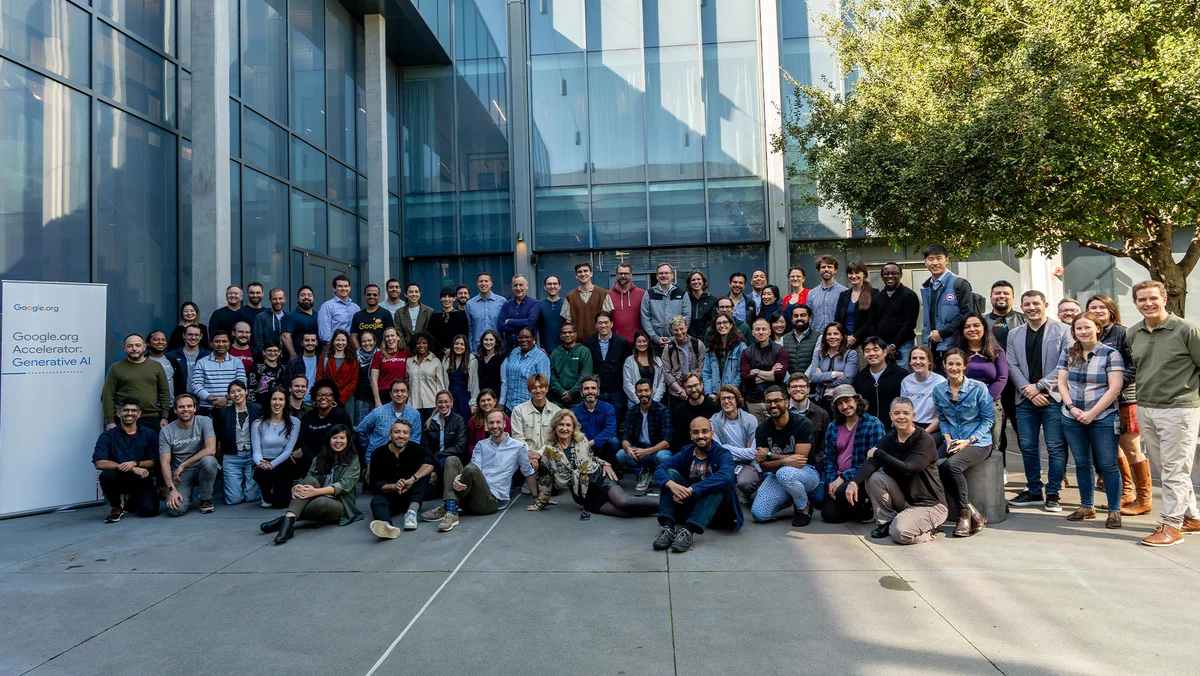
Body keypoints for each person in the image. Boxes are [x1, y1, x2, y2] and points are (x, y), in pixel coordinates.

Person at [1125, 280, 1200, 547]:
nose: (1148, 303)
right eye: (1142, 299)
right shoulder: (1134, 333)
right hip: (1146, 408)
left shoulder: (1186, 330)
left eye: (1153, 298)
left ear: (1164, 298)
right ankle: (1191, 517)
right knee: (1166, 469)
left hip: (1179, 409)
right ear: (1135, 303)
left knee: (1174, 469)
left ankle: (1172, 525)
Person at [1056, 313, 1125, 528]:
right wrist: (1071, 408)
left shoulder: (1110, 354)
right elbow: (1061, 383)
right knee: (1081, 462)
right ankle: (1087, 506)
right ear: (1074, 331)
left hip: (1103, 417)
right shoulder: (1068, 353)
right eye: (1079, 328)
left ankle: (1114, 510)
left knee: (1108, 464)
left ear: (1097, 328)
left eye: (1088, 327)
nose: (1083, 332)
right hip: (1072, 416)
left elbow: (1115, 387)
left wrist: (1092, 413)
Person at [1006, 290, 1071, 512]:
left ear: (1045, 304)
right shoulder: (1014, 334)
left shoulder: (1063, 331)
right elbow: (1011, 365)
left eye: (1036, 303)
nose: (1031, 307)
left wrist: (1040, 386)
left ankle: (1053, 492)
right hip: (1025, 399)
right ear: (1022, 307)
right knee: (1028, 446)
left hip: (1052, 398)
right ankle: (1034, 489)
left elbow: (1066, 364)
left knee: (1055, 446)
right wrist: (1029, 391)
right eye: (1027, 304)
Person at [422, 409, 538, 533]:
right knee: (451, 460)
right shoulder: (481, 445)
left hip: (490, 501)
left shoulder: (518, 447)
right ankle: (451, 510)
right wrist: (459, 476)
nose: (495, 426)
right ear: (486, 425)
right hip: (471, 497)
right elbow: (475, 465)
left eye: (498, 422)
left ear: (505, 424)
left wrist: (538, 499)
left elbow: (528, 472)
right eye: (491, 423)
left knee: (471, 469)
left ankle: (448, 506)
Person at [852, 398, 947, 544]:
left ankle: (929, 531)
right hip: (905, 500)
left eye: (905, 413)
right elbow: (872, 462)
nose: (901, 417)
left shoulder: (924, 440)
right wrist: (853, 482)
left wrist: (879, 453)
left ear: (913, 416)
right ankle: (886, 522)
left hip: (930, 505)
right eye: (896, 413)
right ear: (891, 416)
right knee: (874, 477)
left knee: (900, 534)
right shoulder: (889, 438)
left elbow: (909, 468)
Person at [529, 409, 657, 516]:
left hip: (599, 478)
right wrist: (541, 503)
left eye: (568, 425)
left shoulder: (581, 440)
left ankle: (665, 509)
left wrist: (606, 464)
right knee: (623, 513)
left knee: (624, 502)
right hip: (584, 495)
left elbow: (592, 458)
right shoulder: (548, 451)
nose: (564, 428)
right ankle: (659, 511)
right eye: (561, 424)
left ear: (573, 428)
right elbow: (546, 478)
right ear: (554, 427)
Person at [1086, 294, 1149, 515]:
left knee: (1132, 448)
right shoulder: (1093, 334)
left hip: (1124, 400)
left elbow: (1134, 365)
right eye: (1092, 307)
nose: (1097, 311)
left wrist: (1114, 387)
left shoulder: (1123, 333)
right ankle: (1127, 493)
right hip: (1102, 402)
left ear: (1111, 310)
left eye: (1102, 307)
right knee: (1115, 450)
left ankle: (1144, 499)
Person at [260, 424, 362, 544]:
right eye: (334, 438)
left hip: (341, 504)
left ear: (348, 440)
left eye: (342, 438)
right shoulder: (320, 458)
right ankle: (289, 522)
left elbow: (343, 486)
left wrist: (316, 492)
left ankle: (286, 520)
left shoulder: (353, 460)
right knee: (309, 481)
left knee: (321, 502)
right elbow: (309, 478)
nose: (338, 441)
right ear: (329, 439)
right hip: (315, 497)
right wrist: (296, 488)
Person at [651, 417, 742, 553]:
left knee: (720, 484)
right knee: (669, 474)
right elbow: (659, 469)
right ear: (691, 435)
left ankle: (688, 531)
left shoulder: (723, 453)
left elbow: (727, 476)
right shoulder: (686, 453)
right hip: (693, 507)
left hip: (719, 512)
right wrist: (671, 484)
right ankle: (668, 528)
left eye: (704, 431)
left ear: (712, 433)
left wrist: (692, 489)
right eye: (696, 432)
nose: (700, 436)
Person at [934, 349, 994, 536]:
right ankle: (975, 513)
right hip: (952, 440)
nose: (954, 367)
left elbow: (988, 420)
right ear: (944, 366)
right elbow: (943, 419)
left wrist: (968, 441)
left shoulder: (978, 388)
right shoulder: (938, 390)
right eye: (950, 363)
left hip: (979, 442)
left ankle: (964, 514)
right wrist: (947, 438)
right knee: (932, 466)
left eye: (958, 364)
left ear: (965, 366)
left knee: (951, 466)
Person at [749, 386, 819, 526]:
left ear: (786, 402)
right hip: (776, 475)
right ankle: (791, 496)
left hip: (807, 473)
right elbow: (763, 465)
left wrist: (769, 455)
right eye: (768, 402)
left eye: (777, 400)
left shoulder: (802, 424)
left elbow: (800, 460)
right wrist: (786, 460)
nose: (773, 405)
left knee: (785, 473)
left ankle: (803, 508)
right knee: (759, 515)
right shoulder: (762, 429)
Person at [821, 385, 885, 523]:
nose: (844, 406)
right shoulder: (833, 425)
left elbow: (873, 461)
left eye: (848, 400)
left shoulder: (873, 424)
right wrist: (833, 480)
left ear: (856, 400)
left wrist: (844, 478)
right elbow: (829, 457)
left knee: (839, 494)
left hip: (862, 478)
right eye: (840, 403)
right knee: (828, 515)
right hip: (838, 477)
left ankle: (866, 503)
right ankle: (857, 508)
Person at [92, 398, 160, 522]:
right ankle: (116, 506)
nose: (129, 413)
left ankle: (131, 500)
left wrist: (136, 463)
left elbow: (153, 461)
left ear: (139, 414)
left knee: (149, 511)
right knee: (106, 475)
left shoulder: (149, 434)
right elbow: (98, 462)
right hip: (118, 478)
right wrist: (131, 468)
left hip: (141, 478)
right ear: (118, 413)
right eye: (126, 410)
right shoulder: (108, 436)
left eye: (133, 410)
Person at [368, 419, 435, 538]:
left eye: (405, 432)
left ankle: (411, 513)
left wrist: (412, 479)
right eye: (397, 432)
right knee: (377, 501)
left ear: (409, 436)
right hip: (390, 495)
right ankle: (386, 526)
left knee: (422, 476)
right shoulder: (378, 454)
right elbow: (374, 483)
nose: (401, 436)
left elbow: (430, 463)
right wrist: (394, 486)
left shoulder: (416, 449)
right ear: (390, 434)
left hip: (411, 496)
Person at [158, 393, 218, 516]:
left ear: (194, 408)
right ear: (175, 410)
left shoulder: (204, 421)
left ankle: (205, 499)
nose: (186, 409)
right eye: (181, 407)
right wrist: (171, 489)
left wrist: (184, 464)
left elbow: (211, 449)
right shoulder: (166, 431)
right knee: (175, 510)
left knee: (209, 461)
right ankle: (186, 495)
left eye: (189, 406)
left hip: (200, 466)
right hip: (180, 474)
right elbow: (164, 463)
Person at [956, 313, 1008, 447]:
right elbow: (952, 378)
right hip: (963, 404)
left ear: (984, 328)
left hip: (991, 404)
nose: (972, 329)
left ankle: (998, 468)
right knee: (965, 443)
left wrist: (984, 401)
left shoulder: (996, 351)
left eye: (976, 325)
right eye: (967, 327)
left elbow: (1002, 378)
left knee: (993, 443)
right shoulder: (957, 353)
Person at [986, 280, 1026, 456]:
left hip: (1018, 384)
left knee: (1023, 431)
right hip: (993, 384)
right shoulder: (982, 321)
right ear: (991, 297)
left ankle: (1033, 474)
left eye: (1005, 293)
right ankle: (999, 471)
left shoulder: (1023, 320)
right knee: (997, 431)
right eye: (997, 293)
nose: (1001, 296)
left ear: (1013, 297)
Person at [101, 334, 170, 429]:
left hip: (151, 418)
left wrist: (164, 416)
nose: (134, 348)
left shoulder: (156, 366)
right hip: (124, 418)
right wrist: (109, 421)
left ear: (144, 347)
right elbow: (107, 395)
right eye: (130, 346)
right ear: (124, 348)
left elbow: (164, 392)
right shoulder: (116, 367)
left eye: (138, 345)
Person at [920, 244, 974, 361]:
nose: (935, 263)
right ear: (925, 262)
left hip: (954, 346)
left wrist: (942, 333)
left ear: (947, 260)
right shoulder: (927, 287)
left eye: (939, 258)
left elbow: (967, 314)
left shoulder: (960, 284)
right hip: (931, 347)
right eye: (930, 259)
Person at [618, 379, 673, 493]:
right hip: (639, 449)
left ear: (652, 391)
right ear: (636, 393)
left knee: (664, 457)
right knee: (621, 454)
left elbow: (667, 441)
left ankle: (659, 475)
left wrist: (647, 451)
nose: (643, 394)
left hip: (657, 450)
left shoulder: (662, 410)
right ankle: (643, 473)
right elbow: (625, 436)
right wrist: (628, 448)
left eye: (646, 390)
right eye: (640, 391)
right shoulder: (632, 411)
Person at [251, 387, 302, 508]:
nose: (277, 403)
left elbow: (288, 450)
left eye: (281, 399)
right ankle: (266, 493)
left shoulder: (294, 422)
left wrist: (272, 464)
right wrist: (262, 463)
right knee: (262, 475)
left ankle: (280, 488)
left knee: (281, 504)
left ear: (285, 402)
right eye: (274, 399)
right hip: (263, 461)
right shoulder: (258, 424)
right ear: (269, 401)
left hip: (283, 462)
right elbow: (256, 451)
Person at [213, 381, 262, 505]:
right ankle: (232, 484)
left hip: (253, 456)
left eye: (239, 390)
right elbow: (218, 434)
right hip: (232, 457)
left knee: (252, 497)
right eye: (232, 392)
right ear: (229, 395)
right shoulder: (223, 413)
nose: (236, 394)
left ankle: (247, 484)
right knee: (233, 500)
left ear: (246, 391)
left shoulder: (257, 409)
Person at [356, 379, 423, 468]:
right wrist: (369, 445)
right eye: (396, 391)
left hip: (403, 461)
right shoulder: (378, 412)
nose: (399, 394)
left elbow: (415, 439)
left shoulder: (414, 414)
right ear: (391, 394)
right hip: (377, 460)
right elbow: (360, 430)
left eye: (403, 391)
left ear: (407, 394)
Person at [710, 385, 760, 501]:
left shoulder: (750, 419)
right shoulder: (714, 421)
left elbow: (753, 453)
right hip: (724, 463)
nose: (726, 401)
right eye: (723, 398)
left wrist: (726, 447)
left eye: (730, 398)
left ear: (737, 400)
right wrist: (740, 451)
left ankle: (746, 493)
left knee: (746, 483)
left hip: (747, 463)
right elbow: (718, 451)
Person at [866, 262, 919, 369]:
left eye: (894, 273)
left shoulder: (909, 296)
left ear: (900, 275)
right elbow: (872, 323)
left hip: (903, 346)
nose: (890, 276)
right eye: (886, 273)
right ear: (882, 277)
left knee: (903, 377)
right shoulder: (877, 298)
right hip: (882, 347)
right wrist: (878, 345)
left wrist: (894, 345)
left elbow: (909, 323)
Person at [585, 311, 632, 432]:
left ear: (612, 324)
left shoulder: (622, 343)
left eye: (606, 322)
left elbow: (627, 367)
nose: (603, 325)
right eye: (600, 323)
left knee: (614, 427)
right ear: (596, 325)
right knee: (596, 425)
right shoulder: (588, 344)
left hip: (616, 391)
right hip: (597, 392)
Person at [297, 379, 355, 476]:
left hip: (336, 461)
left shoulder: (341, 415)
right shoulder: (308, 417)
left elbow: (349, 439)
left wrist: (330, 461)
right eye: (319, 394)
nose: (323, 397)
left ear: (333, 398)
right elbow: (303, 443)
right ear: (315, 397)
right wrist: (315, 461)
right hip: (312, 461)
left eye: (328, 395)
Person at [852, 337, 907, 428]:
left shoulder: (901, 374)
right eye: (867, 351)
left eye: (875, 350)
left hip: (894, 428)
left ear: (885, 352)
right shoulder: (860, 377)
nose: (872, 354)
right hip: (868, 428)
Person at [740, 317, 788, 422]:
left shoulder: (780, 350)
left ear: (770, 331)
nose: (761, 332)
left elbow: (779, 377)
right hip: (753, 401)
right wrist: (771, 373)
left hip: (775, 401)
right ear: (752, 332)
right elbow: (745, 379)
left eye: (764, 329)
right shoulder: (746, 352)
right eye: (757, 329)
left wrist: (756, 372)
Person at [191, 331, 247, 416]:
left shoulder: (237, 362)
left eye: (224, 341)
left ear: (229, 343)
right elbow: (196, 385)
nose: (221, 344)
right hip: (207, 409)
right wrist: (212, 400)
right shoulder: (201, 362)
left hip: (231, 407)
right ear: (211, 344)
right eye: (217, 341)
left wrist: (226, 398)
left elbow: (242, 384)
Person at [806, 322, 859, 409]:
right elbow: (812, 377)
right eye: (829, 334)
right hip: (821, 399)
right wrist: (834, 374)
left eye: (836, 334)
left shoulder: (851, 354)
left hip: (843, 400)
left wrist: (823, 380)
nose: (832, 337)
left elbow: (848, 378)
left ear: (842, 336)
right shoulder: (819, 354)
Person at [788, 375, 830, 482]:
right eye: (794, 386)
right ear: (788, 390)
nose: (798, 389)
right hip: (785, 465)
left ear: (808, 389)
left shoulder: (821, 414)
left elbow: (825, 446)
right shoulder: (781, 413)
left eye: (802, 386)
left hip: (813, 467)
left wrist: (814, 461)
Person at [641, 263, 691, 349]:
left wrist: (673, 338)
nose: (663, 275)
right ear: (657, 276)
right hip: (654, 344)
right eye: (661, 273)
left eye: (666, 273)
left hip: (677, 342)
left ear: (672, 275)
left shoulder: (682, 294)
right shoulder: (649, 294)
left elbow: (686, 318)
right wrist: (655, 338)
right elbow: (645, 318)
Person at [560, 262, 613, 343]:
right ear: (576, 275)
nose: (583, 274)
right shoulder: (570, 296)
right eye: (579, 272)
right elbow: (568, 322)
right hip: (577, 344)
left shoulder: (602, 294)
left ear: (591, 273)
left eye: (585, 271)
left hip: (599, 343)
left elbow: (606, 320)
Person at [499, 328, 550, 412]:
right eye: (520, 337)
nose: (523, 340)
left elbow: (543, 386)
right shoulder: (514, 352)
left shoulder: (541, 358)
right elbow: (506, 380)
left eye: (527, 337)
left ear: (533, 339)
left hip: (529, 408)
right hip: (510, 406)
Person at [572, 375, 621, 463]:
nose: (590, 391)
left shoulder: (608, 408)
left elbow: (610, 431)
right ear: (581, 392)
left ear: (598, 392)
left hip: (603, 448)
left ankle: (612, 467)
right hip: (583, 449)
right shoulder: (574, 412)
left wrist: (591, 443)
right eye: (586, 388)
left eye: (593, 388)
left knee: (614, 441)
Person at [511, 373, 562, 454]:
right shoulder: (518, 411)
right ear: (529, 390)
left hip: (550, 457)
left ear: (547, 389)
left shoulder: (557, 411)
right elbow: (518, 438)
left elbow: (557, 438)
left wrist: (539, 454)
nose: (538, 391)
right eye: (534, 388)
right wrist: (530, 456)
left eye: (541, 387)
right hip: (526, 457)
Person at [662, 315, 706, 409]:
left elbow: (702, 368)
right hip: (677, 393)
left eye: (681, 329)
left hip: (696, 390)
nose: (679, 332)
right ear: (671, 330)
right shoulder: (668, 348)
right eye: (676, 330)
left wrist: (691, 387)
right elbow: (666, 372)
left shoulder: (698, 345)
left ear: (686, 327)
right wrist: (681, 390)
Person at [900, 346, 946, 435]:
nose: (918, 361)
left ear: (929, 362)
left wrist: (924, 433)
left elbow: (943, 415)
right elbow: (904, 409)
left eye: (922, 358)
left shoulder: (940, 382)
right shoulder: (906, 381)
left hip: (933, 428)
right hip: (911, 426)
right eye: (914, 358)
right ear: (910, 362)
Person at [670, 373, 720, 450]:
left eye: (696, 385)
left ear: (702, 385)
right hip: (688, 452)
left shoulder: (715, 407)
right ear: (684, 389)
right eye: (689, 387)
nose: (693, 389)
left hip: (712, 450)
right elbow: (676, 440)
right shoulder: (679, 411)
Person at [549, 322, 594, 407]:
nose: (567, 335)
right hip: (557, 401)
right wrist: (561, 392)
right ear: (560, 335)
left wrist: (571, 393)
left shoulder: (584, 351)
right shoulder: (555, 353)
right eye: (564, 333)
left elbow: (585, 375)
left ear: (575, 334)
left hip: (578, 402)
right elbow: (551, 376)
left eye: (570, 332)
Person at [703, 313, 746, 398]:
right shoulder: (711, 349)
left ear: (731, 325)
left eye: (725, 322)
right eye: (718, 323)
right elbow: (706, 372)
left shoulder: (741, 347)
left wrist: (729, 391)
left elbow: (741, 372)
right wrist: (709, 392)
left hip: (734, 394)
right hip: (715, 395)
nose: (722, 325)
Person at [406, 332, 445, 423]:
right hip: (413, 403)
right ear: (414, 345)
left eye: (424, 343)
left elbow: (440, 384)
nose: (421, 345)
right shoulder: (409, 362)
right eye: (418, 343)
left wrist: (441, 402)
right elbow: (407, 381)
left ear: (428, 345)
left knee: (432, 432)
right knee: (416, 432)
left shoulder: (435, 361)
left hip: (432, 403)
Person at [834, 261, 874, 349]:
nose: (854, 276)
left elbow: (872, 320)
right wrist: (844, 337)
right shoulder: (843, 295)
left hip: (864, 343)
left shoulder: (873, 293)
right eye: (850, 273)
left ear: (864, 274)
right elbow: (838, 318)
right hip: (844, 342)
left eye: (857, 273)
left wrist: (855, 337)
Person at [807, 254, 849, 337]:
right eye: (823, 267)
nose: (826, 269)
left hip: (837, 337)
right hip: (817, 337)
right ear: (819, 270)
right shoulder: (812, 293)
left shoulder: (844, 292)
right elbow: (809, 318)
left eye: (829, 267)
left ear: (835, 270)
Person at [425, 390, 468, 469]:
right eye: (440, 402)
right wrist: (431, 462)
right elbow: (427, 447)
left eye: (446, 402)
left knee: (442, 464)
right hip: (434, 459)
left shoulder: (459, 420)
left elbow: (459, 446)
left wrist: (438, 455)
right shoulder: (430, 422)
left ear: (451, 403)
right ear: (436, 404)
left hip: (451, 458)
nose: (443, 405)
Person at [315, 329, 358, 407]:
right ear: (333, 341)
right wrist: (327, 395)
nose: (340, 343)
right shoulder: (324, 357)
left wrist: (338, 399)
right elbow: (319, 377)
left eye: (343, 340)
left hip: (346, 399)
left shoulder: (353, 359)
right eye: (338, 340)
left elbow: (353, 382)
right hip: (326, 398)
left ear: (347, 342)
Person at [498, 274, 541, 350]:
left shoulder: (534, 304)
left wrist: (510, 321)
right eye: (515, 285)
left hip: (528, 349)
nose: (518, 288)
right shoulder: (506, 305)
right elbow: (500, 326)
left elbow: (530, 323)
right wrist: (522, 325)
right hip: (510, 349)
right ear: (512, 287)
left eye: (521, 285)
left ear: (527, 286)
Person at [369, 327, 409, 408]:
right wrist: (377, 401)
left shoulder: (406, 354)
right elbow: (373, 379)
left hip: (400, 394)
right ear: (384, 339)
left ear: (398, 337)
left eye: (392, 335)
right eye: (387, 336)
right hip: (383, 394)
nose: (390, 338)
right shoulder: (378, 355)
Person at [466, 272, 506, 352]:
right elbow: (469, 328)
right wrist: (470, 348)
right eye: (481, 281)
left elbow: (505, 326)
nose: (483, 284)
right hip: (477, 349)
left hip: (497, 348)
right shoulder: (470, 304)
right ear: (477, 284)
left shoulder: (502, 301)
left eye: (486, 281)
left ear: (491, 284)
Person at [623, 331, 666, 406]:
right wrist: (640, 402)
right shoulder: (629, 361)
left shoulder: (657, 360)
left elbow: (661, 383)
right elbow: (627, 384)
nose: (642, 344)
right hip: (635, 401)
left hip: (655, 400)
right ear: (635, 344)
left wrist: (654, 402)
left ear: (649, 343)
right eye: (639, 342)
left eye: (644, 341)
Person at [443, 335, 478, 422]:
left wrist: (474, 403)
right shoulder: (446, 361)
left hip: (465, 397)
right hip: (450, 397)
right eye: (456, 344)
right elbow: (443, 381)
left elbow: (475, 383)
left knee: (464, 423)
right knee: (451, 424)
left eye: (462, 344)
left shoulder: (472, 360)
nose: (459, 346)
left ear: (466, 346)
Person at [167, 324, 211, 392]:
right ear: (184, 335)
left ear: (201, 336)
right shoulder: (171, 356)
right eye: (190, 334)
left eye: (196, 335)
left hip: (204, 398)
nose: (193, 338)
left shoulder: (209, 355)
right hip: (180, 399)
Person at [317, 275, 361, 343]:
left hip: (352, 348)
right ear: (334, 288)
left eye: (346, 286)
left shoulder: (356, 308)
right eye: (340, 286)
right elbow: (325, 333)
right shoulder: (327, 306)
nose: (343, 288)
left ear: (350, 288)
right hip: (335, 347)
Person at [350, 284, 393, 351]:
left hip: (382, 354)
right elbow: (354, 337)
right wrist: (360, 352)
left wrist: (382, 352)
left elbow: (389, 336)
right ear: (365, 296)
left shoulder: (386, 314)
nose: (372, 297)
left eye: (375, 295)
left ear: (379, 297)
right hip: (363, 356)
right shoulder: (357, 315)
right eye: (369, 294)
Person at [146, 331, 186, 404]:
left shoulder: (172, 361)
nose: (161, 342)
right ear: (148, 343)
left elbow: (179, 383)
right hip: (149, 406)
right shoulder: (143, 360)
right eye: (156, 340)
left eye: (163, 340)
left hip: (170, 406)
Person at [609, 263, 645, 343]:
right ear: (616, 275)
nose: (623, 276)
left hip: (637, 343)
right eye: (620, 273)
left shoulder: (642, 294)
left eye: (626, 273)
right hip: (614, 342)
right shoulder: (607, 295)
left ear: (631, 275)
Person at [430, 286, 469, 358]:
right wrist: (444, 350)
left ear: (454, 298)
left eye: (450, 297)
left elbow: (464, 335)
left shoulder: (461, 316)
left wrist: (452, 349)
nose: (447, 299)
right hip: (438, 354)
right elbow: (432, 337)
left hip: (457, 352)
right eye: (444, 297)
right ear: (440, 299)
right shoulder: (435, 316)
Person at [280, 286, 317, 360]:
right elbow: (285, 336)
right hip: (297, 359)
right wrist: (293, 355)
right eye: (303, 295)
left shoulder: (319, 316)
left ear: (313, 298)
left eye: (309, 295)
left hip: (315, 359)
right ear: (298, 298)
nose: (306, 297)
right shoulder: (290, 316)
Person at [394, 282, 434, 351]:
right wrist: (405, 349)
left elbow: (430, 333)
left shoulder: (429, 311)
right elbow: (399, 333)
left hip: (424, 351)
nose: (414, 294)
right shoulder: (399, 313)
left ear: (420, 294)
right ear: (405, 294)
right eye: (411, 292)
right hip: (405, 350)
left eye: (416, 292)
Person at [350, 331, 379, 424]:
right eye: (364, 341)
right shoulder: (355, 357)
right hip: (360, 398)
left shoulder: (381, 356)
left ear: (375, 342)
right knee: (361, 428)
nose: (367, 344)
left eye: (369, 340)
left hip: (377, 399)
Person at [467, 389, 508, 453]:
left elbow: (508, 441)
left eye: (489, 400)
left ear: (494, 401)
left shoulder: (504, 418)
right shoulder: (473, 421)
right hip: (479, 456)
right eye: (483, 401)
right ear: (479, 403)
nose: (486, 403)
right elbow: (471, 444)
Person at [285, 331, 321, 403]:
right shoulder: (293, 363)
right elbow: (287, 385)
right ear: (302, 343)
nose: (310, 343)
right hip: (298, 402)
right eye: (307, 340)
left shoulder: (322, 361)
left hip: (318, 402)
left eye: (313, 340)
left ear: (317, 343)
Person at [782, 304, 818, 377]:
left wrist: (803, 381)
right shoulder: (784, 339)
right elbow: (782, 363)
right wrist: (790, 381)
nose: (799, 318)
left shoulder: (818, 337)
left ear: (810, 318)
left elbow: (816, 362)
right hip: (789, 384)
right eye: (796, 316)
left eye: (803, 315)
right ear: (792, 319)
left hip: (811, 383)